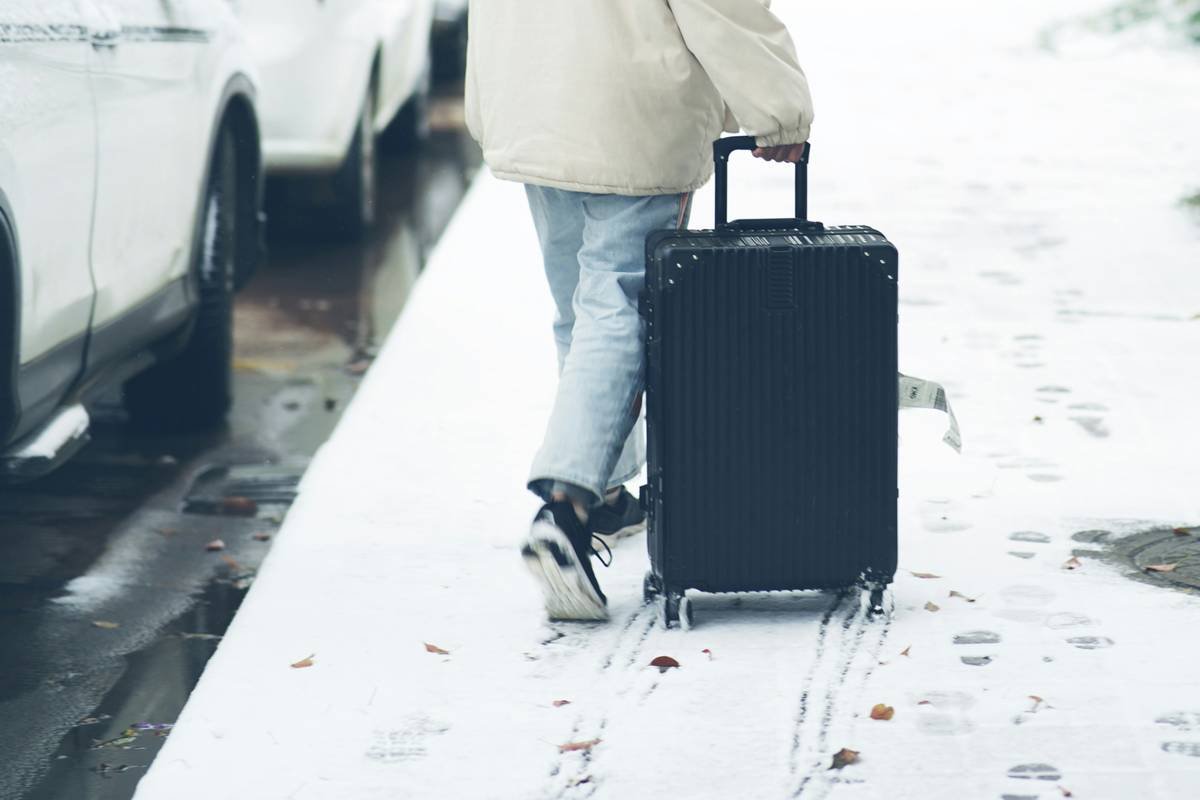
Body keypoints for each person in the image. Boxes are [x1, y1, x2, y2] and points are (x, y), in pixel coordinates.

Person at [464, 0, 814, 621]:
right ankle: (566, 506)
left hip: (531, 99)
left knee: (583, 307)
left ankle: (602, 494)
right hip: (631, 108)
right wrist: (779, 108)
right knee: (620, 309)